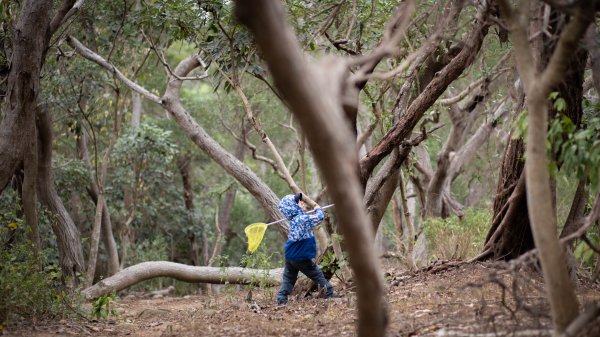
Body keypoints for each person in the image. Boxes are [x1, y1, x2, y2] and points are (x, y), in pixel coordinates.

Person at [276, 192, 334, 305]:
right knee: (316, 273)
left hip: (290, 256)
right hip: (300, 256)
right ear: (294, 207)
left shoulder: (295, 220)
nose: (302, 203)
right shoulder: (302, 219)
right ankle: (329, 292)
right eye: (298, 202)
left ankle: (281, 297)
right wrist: (317, 208)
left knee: (289, 278)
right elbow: (320, 217)